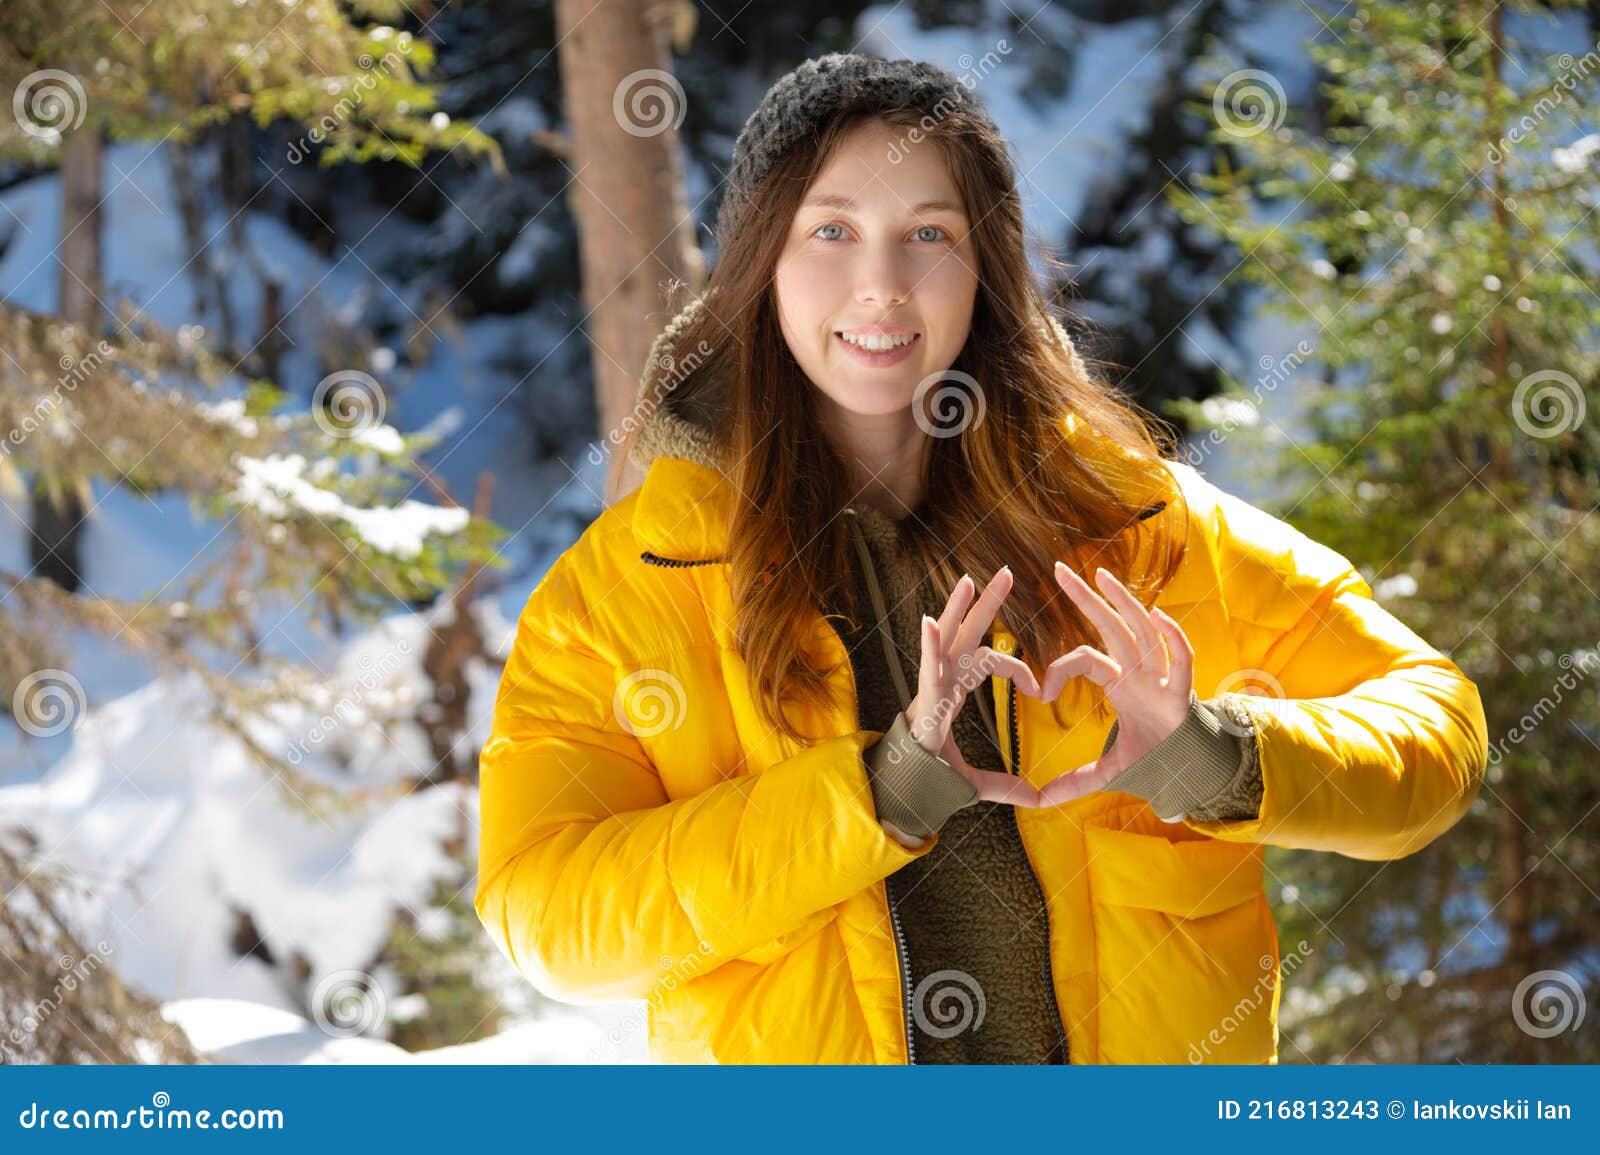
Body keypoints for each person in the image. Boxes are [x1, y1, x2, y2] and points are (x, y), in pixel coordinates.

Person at [474, 52, 1488, 1064]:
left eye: (928, 234)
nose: (880, 285)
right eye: (831, 231)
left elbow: (1435, 729)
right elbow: (545, 912)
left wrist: (1212, 755)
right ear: (760, 261)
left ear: (984, 268)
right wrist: (870, 799)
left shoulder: (1134, 524)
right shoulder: (629, 588)